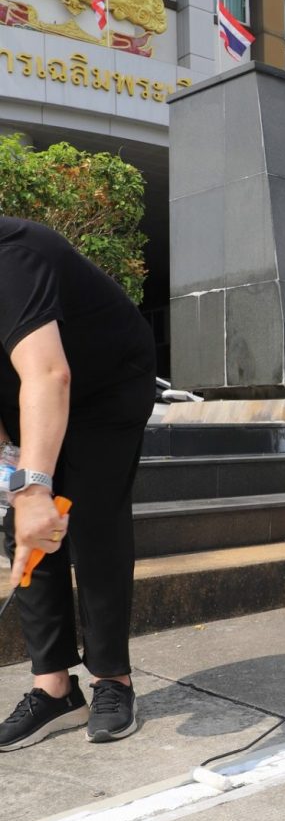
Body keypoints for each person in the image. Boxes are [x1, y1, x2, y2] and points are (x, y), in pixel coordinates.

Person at [0, 217, 156, 751]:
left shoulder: (12, 253)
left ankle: (113, 679)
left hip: (107, 382)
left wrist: (35, 489)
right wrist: (11, 477)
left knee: (90, 516)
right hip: (24, 390)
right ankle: (54, 688)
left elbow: (50, 375)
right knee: (21, 526)